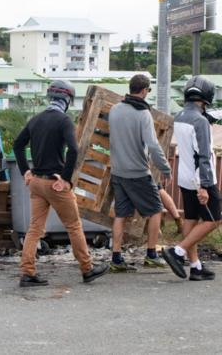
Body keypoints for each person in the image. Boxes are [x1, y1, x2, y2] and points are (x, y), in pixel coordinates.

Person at [14, 80, 108, 287]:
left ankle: (27, 273)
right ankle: (87, 268)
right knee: (73, 226)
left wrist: (25, 171)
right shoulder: (64, 121)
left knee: (34, 228)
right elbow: (73, 150)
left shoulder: (35, 120)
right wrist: (66, 179)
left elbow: (17, 145)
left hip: (37, 183)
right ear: (67, 99)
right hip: (55, 184)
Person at [108, 74, 172, 272]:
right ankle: (151, 254)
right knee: (155, 210)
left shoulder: (115, 109)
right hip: (138, 173)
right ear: (144, 91)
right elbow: (153, 145)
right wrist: (165, 168)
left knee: (120, 215)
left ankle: (116, 259)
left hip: (118, 172)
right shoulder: (143, 114)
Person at [162, 76, 221, 281]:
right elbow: (203, 155)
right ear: (206, 98)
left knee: (191, 218)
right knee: (215, 218)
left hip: (185, 177)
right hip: (201, 178)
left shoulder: (179, 116)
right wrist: (204, 186)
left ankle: (195, 266)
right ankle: (177, 252)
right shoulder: (200, 121)